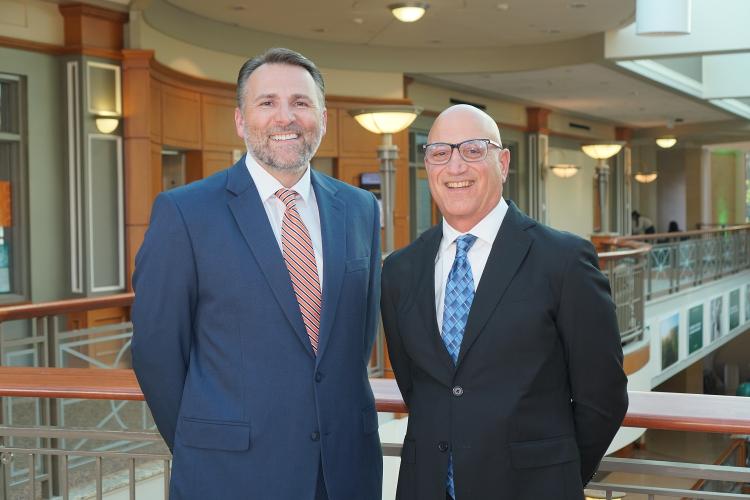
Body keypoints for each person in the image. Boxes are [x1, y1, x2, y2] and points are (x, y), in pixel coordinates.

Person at [131, 48, 382, 500]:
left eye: (301, 103)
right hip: (229, 475)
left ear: (322, 119)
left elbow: (354, 341)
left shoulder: (360, 209)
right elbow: (156, 353)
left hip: (343, 473)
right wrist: (203, 441)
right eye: (267, 103)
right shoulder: (186, 213)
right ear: (241, 121)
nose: (285, 117)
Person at [381, 104, 628, 500]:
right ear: (428, 166)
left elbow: (603, 395)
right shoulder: (399, 271)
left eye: (474, 150)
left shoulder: (563, 261)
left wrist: (554, 475)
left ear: (504, 162)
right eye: (441, 153)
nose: (456, 167)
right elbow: (420, 388)